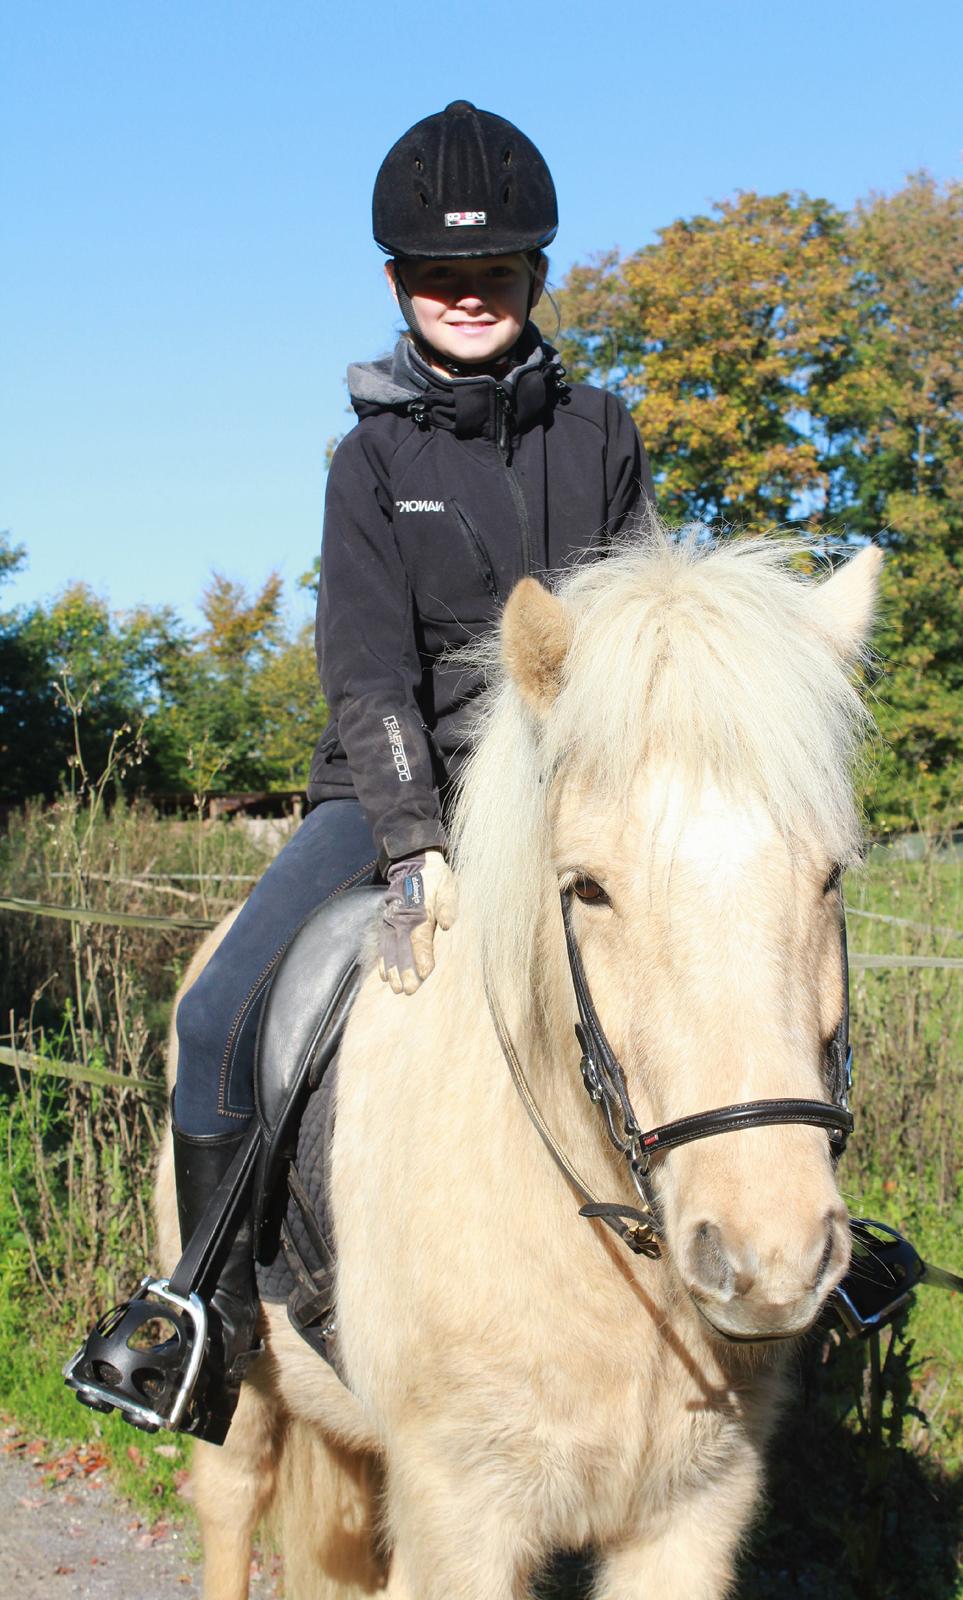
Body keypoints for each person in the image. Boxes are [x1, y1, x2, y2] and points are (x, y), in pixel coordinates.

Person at [70, 99, 651, 1442]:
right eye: (440, 279)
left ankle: (771, 1248)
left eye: (493, 276)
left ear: (535, 281)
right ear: (398, 288)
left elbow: (642, 618)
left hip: (570, 783)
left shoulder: (605, 433)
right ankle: (199, 1310)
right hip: (390, 795)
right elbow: (368, 673)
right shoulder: (372, 460)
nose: (467, 297)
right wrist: (413, 839)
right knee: (220, 1016)